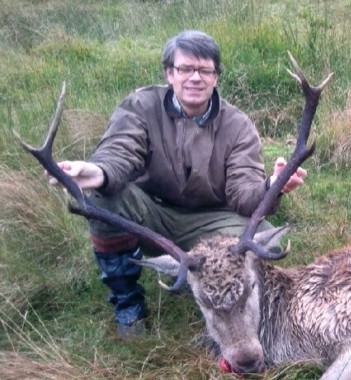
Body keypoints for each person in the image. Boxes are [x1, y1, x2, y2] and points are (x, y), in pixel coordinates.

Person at [46, 30, 307, 337]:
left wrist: (270, 187)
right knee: (104, 199)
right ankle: (128, 305)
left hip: (211, 221)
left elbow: (242, 194)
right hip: (151, 214)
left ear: (216, 77)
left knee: (262, 239)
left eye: (205, 70)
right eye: (185, 69)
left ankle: (223, 298)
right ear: (169, 73)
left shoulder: (238, 126)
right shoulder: (140, 106)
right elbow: (120, 150)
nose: (195, 78)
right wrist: (98, 172)